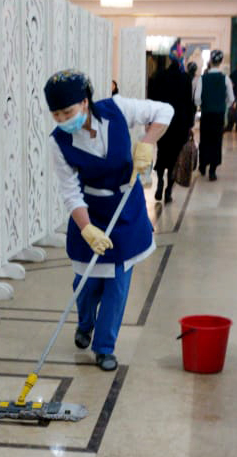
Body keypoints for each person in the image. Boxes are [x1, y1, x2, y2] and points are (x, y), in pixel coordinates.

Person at [44, 70, 173, 371]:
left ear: (85, 102)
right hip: (90, 210)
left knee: (117, 283)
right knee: (86, 282)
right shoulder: (58, 143)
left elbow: (164, 111)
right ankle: (85, 323)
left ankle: (104, 347)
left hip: (125, 208)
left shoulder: (117, 109)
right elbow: (70, 191)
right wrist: (87, 228)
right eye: (57, 115)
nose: (63, 120)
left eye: (68, 112)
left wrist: (147, 141)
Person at [148, 40, 194, 203]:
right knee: (175, 157)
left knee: (162, 152)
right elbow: (189, 103)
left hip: (162, 122)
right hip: (179, 124)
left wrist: (151, 121)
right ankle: (168, 190)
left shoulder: (159, 76)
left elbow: (153, 100)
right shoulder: (186, 79)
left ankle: (160, 180)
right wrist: (190, 124)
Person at [194, 49, 234, 181]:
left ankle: (203, 165)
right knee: (216, 141)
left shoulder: (203, 78)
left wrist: (202, 105)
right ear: (221, 62)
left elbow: (197, 98)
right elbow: (231, 98)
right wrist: (223, 105)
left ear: (210, 61)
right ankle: (212, 170)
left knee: (205, 139)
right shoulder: (225, 79)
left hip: (206, 114)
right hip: (219, 115)